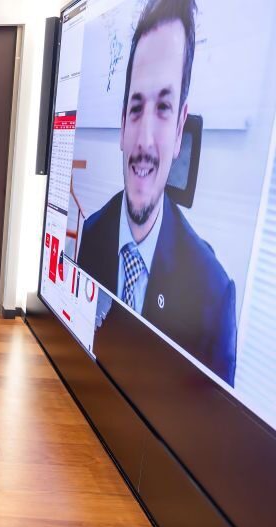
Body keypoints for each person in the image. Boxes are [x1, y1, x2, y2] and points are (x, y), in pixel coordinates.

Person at [76, 0, 237, 385]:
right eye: (136, 108)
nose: (145, 141)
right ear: (122, 124)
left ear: (180, 128)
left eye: (163, 107)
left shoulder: (214, 295)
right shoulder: (92, 234)